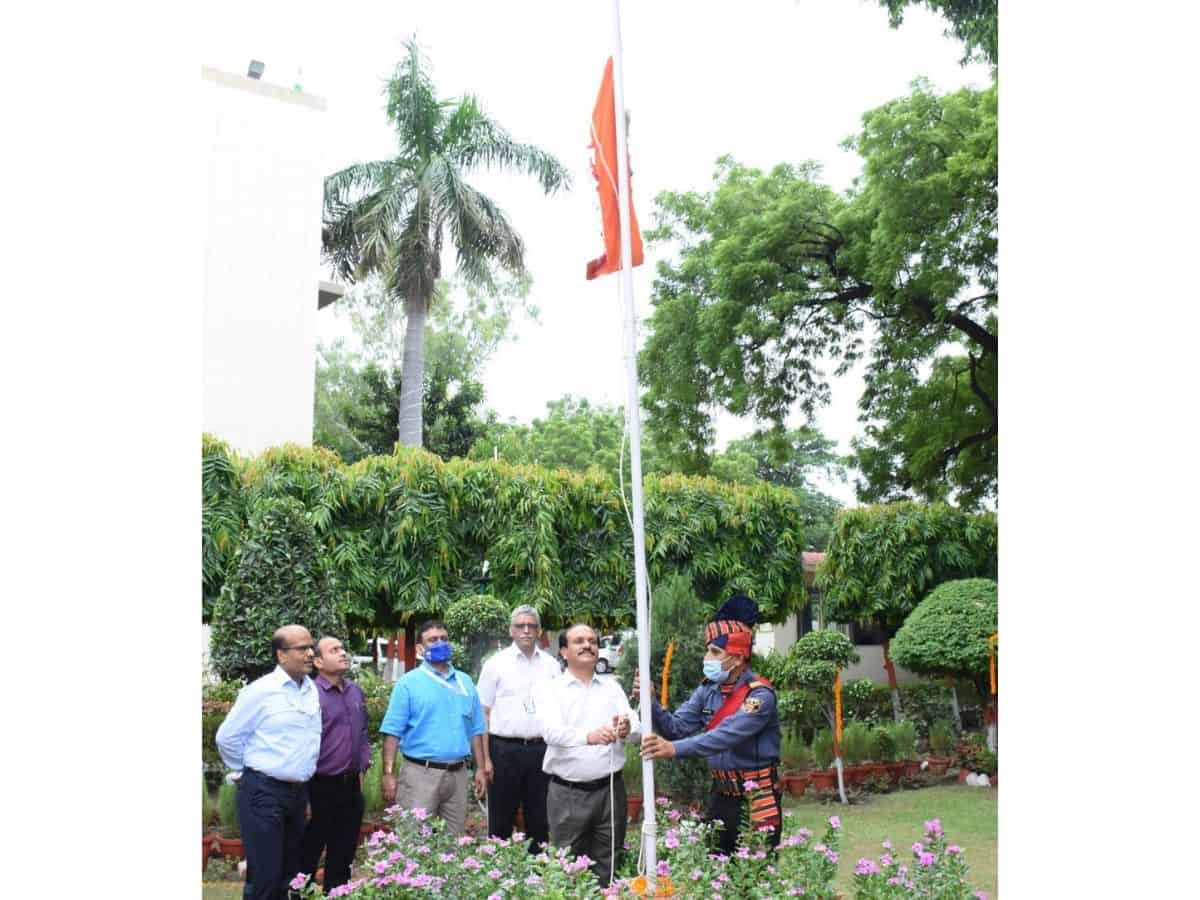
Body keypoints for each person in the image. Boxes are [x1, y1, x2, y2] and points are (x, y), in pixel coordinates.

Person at [639, 594, 783, 854]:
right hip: (720, 796)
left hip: (757, 797)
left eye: (715, 652)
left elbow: (724, 736)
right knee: (715, 869)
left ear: (737, 658)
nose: (707, 657)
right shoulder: (708, 689)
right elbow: (676, 727)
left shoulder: (760, 696)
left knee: (756, 872)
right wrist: (650, 702)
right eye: (708, 650)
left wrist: (673, 749)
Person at [215, 625, 322, 900]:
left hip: (297, 793)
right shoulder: (260, 691)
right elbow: (227, 737)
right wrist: (249, 771)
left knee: (290, 876)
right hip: (263, 792)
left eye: (311, 647)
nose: (311, 653)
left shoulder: (310, 690)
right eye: (302, 648)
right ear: (281, 655)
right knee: (265, 877)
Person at [539, 623, 639, 888]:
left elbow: (636, 727)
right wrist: (589, 736)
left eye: (592, 641)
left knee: (609, 863)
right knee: (567, 868)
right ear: (564, 651)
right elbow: (550, 732)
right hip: (568, 793)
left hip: (610, 790)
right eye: (579, 641)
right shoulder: (552, 689)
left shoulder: (612, 687)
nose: (587, 645)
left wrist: (628, 728)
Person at [379, 620, 488, 835]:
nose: (440, 643)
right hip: (420, 775)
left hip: (458, 775)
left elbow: (476, 729)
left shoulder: (465, 682)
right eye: (433, 640)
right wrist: (388, 774)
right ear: (420, 648)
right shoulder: (408, 683)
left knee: (454, 842)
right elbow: (392, 732)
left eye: (444, 639)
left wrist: (481, 769)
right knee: (414, 841)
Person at [476, 604, 561, 850]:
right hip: (504, 751)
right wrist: (485, 760)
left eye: (531, 626)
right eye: (520, 626)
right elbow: (483, 714)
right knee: (500, 819)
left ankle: (539, 868)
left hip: (541, 750)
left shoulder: (551, 666)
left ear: (539, 630)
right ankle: (497, 869)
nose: (526, 630)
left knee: (540, 819)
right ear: (511, 630)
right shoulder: (495, 664)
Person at [299, 636, 371, 893]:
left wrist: (362, 769)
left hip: (350, 788)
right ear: (318, 662)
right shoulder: (309, 695)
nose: (343, 653)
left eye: (342, 648)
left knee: (342, 858)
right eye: (334, 650)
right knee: (307, 857)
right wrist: (303, 796)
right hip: (318, 787)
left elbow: (362, 734)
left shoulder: (355, 692)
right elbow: (300, 745)